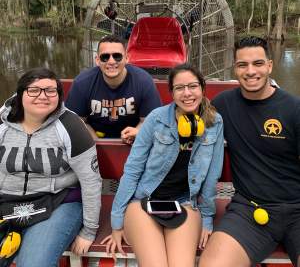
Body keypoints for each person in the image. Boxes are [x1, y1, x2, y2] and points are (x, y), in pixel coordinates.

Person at [102, 63, 224, 267]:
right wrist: (117, 223)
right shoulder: (156, 119)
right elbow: (132, 171)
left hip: (186, 203)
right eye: (179, 88)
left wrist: (208, 218)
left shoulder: (215, 123)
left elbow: (212, 175)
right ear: (172, 93)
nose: (187, 93)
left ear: (203, 88)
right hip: (143, 202)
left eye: (193, 86)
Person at [199, 36, 300, 267]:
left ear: (270, 66)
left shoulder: (294, 109)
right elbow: (187, 121)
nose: (250, 71)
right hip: (249, 210)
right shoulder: (223, 104)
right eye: (242, 65)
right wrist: (143, 128)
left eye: (258, 63)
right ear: (235, 68)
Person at [0, 68, 102, 267]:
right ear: (21, 93)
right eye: (34, 90)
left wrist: (89, 230)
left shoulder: (71, 126)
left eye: (50, 91)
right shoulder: (2, 124)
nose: (43, 96)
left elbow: (91, 181)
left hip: (57, 204)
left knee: (34, 264)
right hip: (6, 202)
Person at [65, 34, 162, 142]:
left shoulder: (143, 81)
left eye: (117, 56)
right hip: (93, 138)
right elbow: (76, 121)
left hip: (134, 142)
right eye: (105, 57)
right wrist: (96, 144)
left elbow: (149, 121)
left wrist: (137, 133)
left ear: (126, 58)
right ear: (97, 60)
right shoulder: (82, 82)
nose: (111, 62)